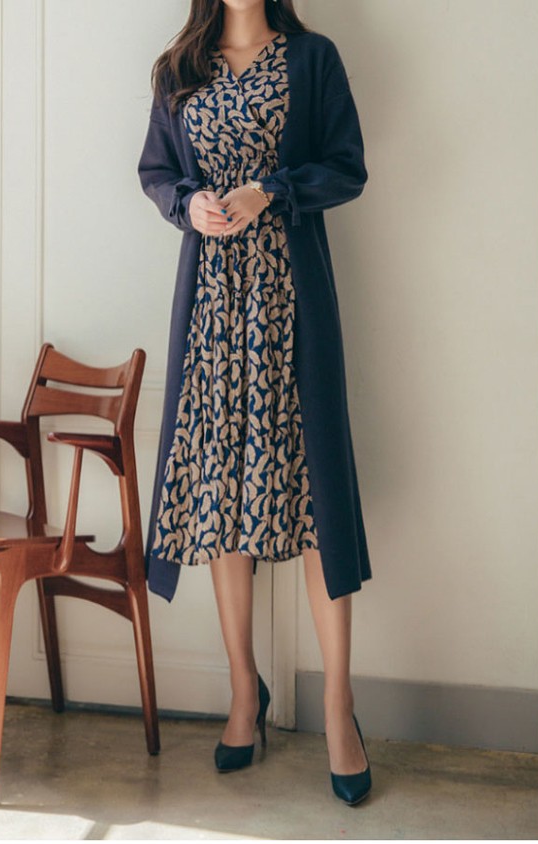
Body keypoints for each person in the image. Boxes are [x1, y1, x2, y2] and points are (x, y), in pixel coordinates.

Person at [137, 0, 373, 805]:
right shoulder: (179, 69)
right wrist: (189, 205)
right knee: (219, 495)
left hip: (291, 311)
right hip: (212, 312)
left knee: (316, 503)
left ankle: (338, 707)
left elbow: (347, 165)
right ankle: (245, 690)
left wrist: (270, 191)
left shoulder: (312, 59)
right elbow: (156, 172)